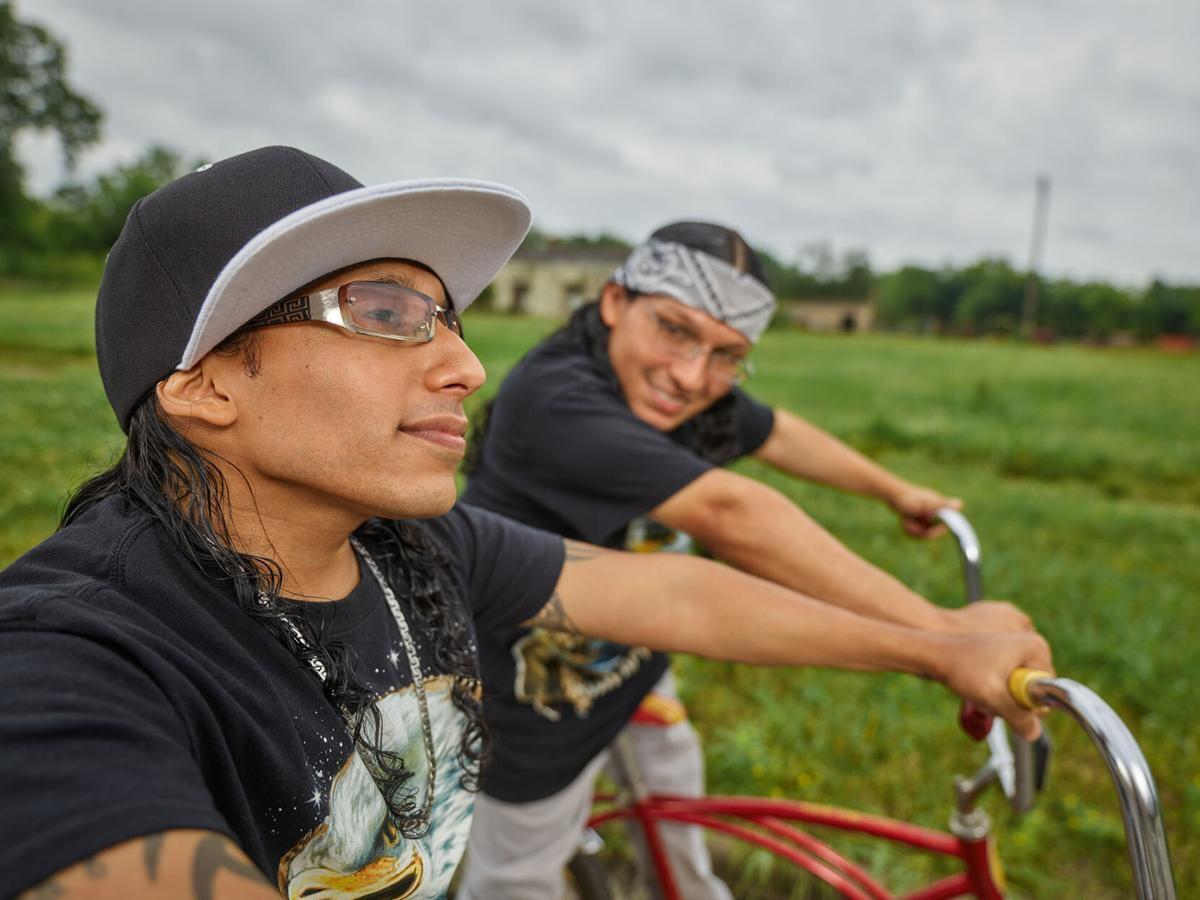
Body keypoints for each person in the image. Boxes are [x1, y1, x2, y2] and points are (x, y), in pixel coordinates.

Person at [0, 151, 1050, 900]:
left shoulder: (412, 548)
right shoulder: (71, 657)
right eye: (383, 312)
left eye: (447, 319)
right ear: (204, 384)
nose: (466, 367)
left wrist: (930, 646)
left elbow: (674, 590)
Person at [458, 222, 1038, 899]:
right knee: (519, 877)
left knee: (677, 810)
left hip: (636, 667)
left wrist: (894, 491)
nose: (690, 376)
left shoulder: (681, 395)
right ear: (614, 302)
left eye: (726, 355)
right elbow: (731, 513)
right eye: (673, 330)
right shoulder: (558, 402)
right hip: (529, 709)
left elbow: (774, 431)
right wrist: (944, 634)